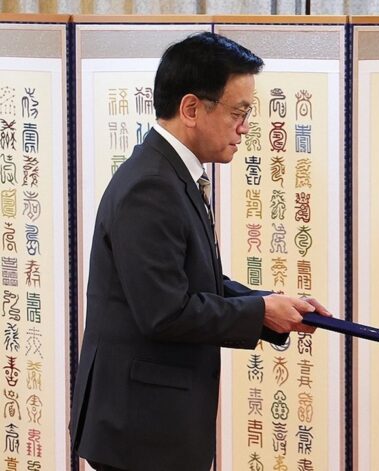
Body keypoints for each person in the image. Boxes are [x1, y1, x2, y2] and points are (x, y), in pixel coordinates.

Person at [69, 32, 330, 471]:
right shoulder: (150, 184)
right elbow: (165, 311)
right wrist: (260, 312)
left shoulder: (168, 172)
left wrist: (268, 305)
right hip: (140, 429)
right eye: (238, 112)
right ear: (192, 108)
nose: (245, 127)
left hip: (152, 420)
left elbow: (195, 282)